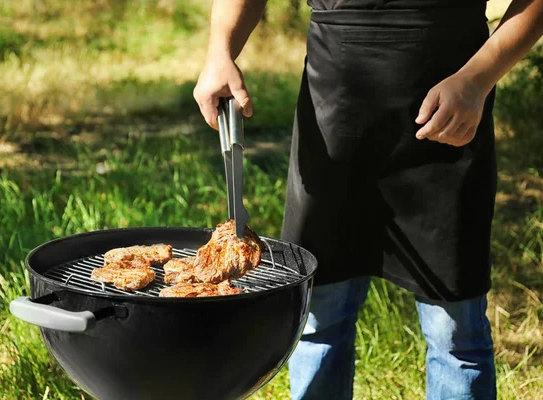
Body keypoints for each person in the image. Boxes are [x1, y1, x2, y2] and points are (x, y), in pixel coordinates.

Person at [193, 0, 543, 398]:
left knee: (455, 334)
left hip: (450, 121)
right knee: (318, 323)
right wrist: (220, 51)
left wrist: (478, 81)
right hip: (334, 121)